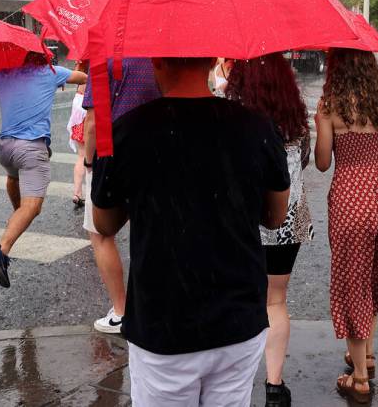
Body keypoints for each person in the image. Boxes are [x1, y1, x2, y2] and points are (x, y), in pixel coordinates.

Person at [92, 57, 290, 406]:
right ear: (213, 59)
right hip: (238, 320)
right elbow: (275, 217)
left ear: (156, 61)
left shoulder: (127, 130)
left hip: (163, 324)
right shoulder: (257, 127)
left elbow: (104, 224)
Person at [314, 48, 378, 403]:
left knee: (353, 282)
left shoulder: (331, 104)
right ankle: (363, 352)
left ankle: (361, 379)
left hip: (353, 203)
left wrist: (321, 123)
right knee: (373, 280)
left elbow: (322, 163)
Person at [224, 53, 313, 407]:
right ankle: (274, 386)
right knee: (276, 299)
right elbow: (304, 159)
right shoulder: (295, 110)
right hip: (290, 214)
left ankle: (235, 382)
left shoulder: (232, 109)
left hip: (244, 214)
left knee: (242, 296)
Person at [0, 52, 86, 288]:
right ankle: (1, 249)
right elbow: (83, 77)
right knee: (33, 207)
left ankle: (18, 215)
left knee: (13, 176)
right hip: (31, 148)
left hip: (6, 149)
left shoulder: (3, 74)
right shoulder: (51, 72)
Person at [82, 57, 161, 333]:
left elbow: (92, 123)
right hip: (154, 154)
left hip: (111, 156)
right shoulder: (156, 56)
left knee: (101, 235)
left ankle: (121, 311)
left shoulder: (103, 57)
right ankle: (152, 305)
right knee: (150, 232)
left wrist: (89, 162)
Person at [67, 60, 90, 207]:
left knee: (81, 155)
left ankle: (77, 192)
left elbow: (72, 77)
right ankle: (92, 194)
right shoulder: (104, 57)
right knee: (94, 155)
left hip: (78, 103)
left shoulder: (82, 60)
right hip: (92, 105)